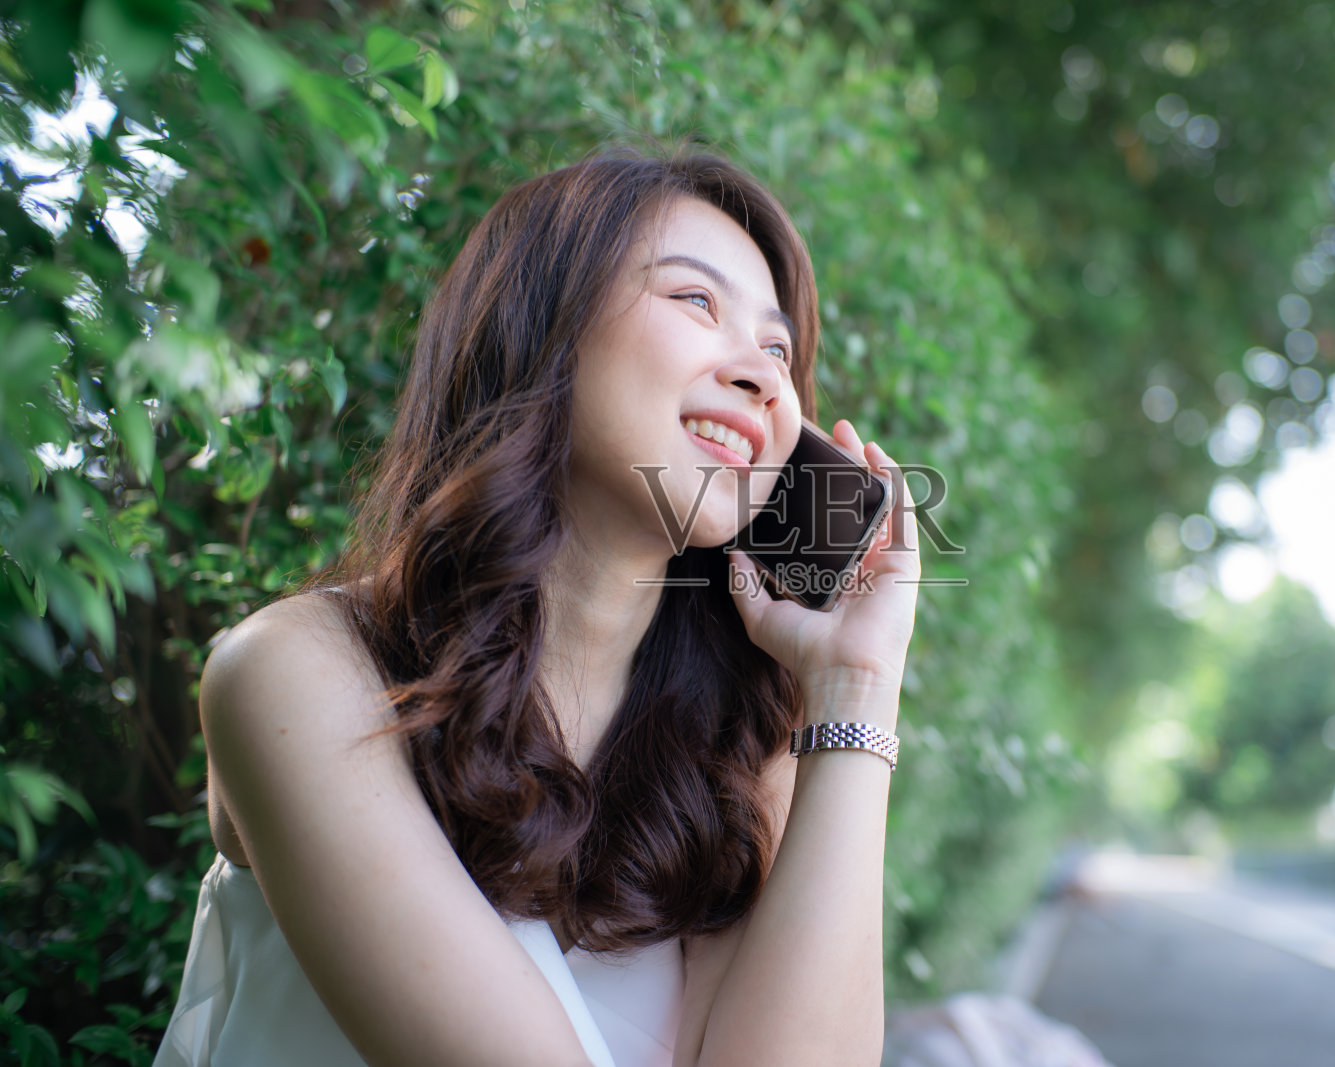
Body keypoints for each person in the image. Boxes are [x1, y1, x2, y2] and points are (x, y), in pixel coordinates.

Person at [153, 148, 921, 1067]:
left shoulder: (737, 758)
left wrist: (856, 685)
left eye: (778, 348)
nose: (762, 376)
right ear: (542, 326)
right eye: (696, 301)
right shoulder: (296, 672)